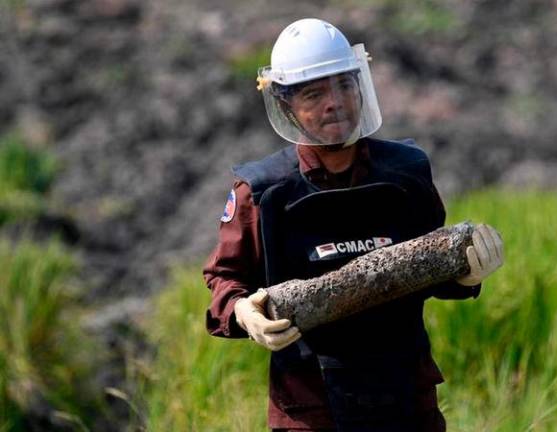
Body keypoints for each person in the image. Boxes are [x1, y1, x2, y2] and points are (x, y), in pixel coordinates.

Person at [203, 18, 504, 432]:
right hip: (311, 405)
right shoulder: (263, 190)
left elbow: (437, 272)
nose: (335, 102)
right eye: (314, 92)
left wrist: (469, 274)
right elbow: (224, 278)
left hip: (406, 399)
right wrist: (242, 311)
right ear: (286, 104)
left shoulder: (405, 172)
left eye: (345, 85)